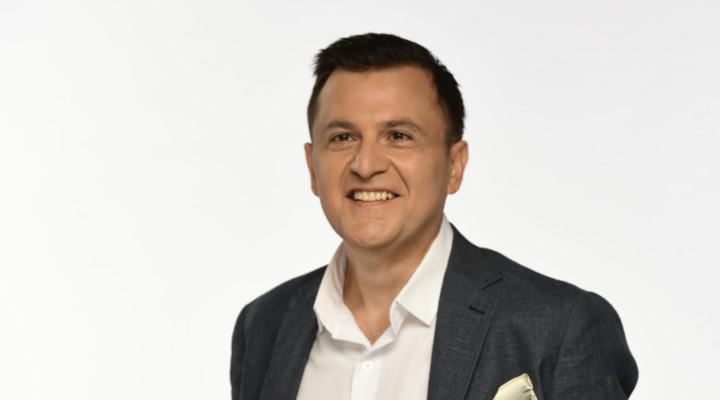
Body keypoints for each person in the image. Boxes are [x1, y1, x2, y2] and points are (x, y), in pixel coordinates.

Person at [230, 33, 638, 400]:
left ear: (454, 165)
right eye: (343, 137)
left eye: (399, 136)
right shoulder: (263, 325)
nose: (365, 164)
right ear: (312, 167)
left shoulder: (558, 327)